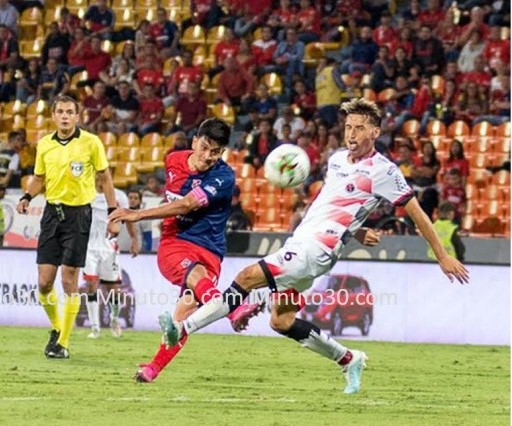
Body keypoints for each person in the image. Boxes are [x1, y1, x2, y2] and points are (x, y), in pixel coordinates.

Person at [157, 98, 470, 394]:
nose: (352, 133)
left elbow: (416, 213)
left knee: (245, 278)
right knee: (281, 320)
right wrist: (357, 234)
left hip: (315, 251)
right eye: (348, 127)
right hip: (304, 242)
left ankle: (182, 329)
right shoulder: (335, 161)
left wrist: (442, 256)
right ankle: (349, 359)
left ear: (375, 131)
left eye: (360, 128)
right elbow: (335, 206)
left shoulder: (383, 170)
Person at [109, 118, 239, 383]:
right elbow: (173, 199)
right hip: (175, 243)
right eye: (205, 147)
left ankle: (152, 369)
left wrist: (138, 214)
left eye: (216, 152)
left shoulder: (224, 176)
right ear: (194, 141)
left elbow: (188, 204)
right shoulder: (173, 160)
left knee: (180, 319)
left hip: (211, 250)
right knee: (196, 280)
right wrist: (147, 214)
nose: (208, 156)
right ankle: (231, 308)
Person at [16, 95, 119, 360]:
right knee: (44, 283)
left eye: (69, 112)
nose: (64, 116)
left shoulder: (91, 142)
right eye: (60, 111)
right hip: (52, 214)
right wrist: (27, 197)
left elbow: (105, 178)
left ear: (77, 116)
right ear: (53, 116)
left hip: (79, 216)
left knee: (69, 279)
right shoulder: (45, 145)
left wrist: (113, 213)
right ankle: (56, 328)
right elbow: (39, 179)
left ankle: (62, 343)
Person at [83, 182, 140, 339]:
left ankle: (114, 319)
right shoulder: (86, 193)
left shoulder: (119, 196)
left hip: (109, 247)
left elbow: (128, 218)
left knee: (114, 289)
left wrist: (134, 239)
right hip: (89, 247)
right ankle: (95, 328)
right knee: (91, 285)